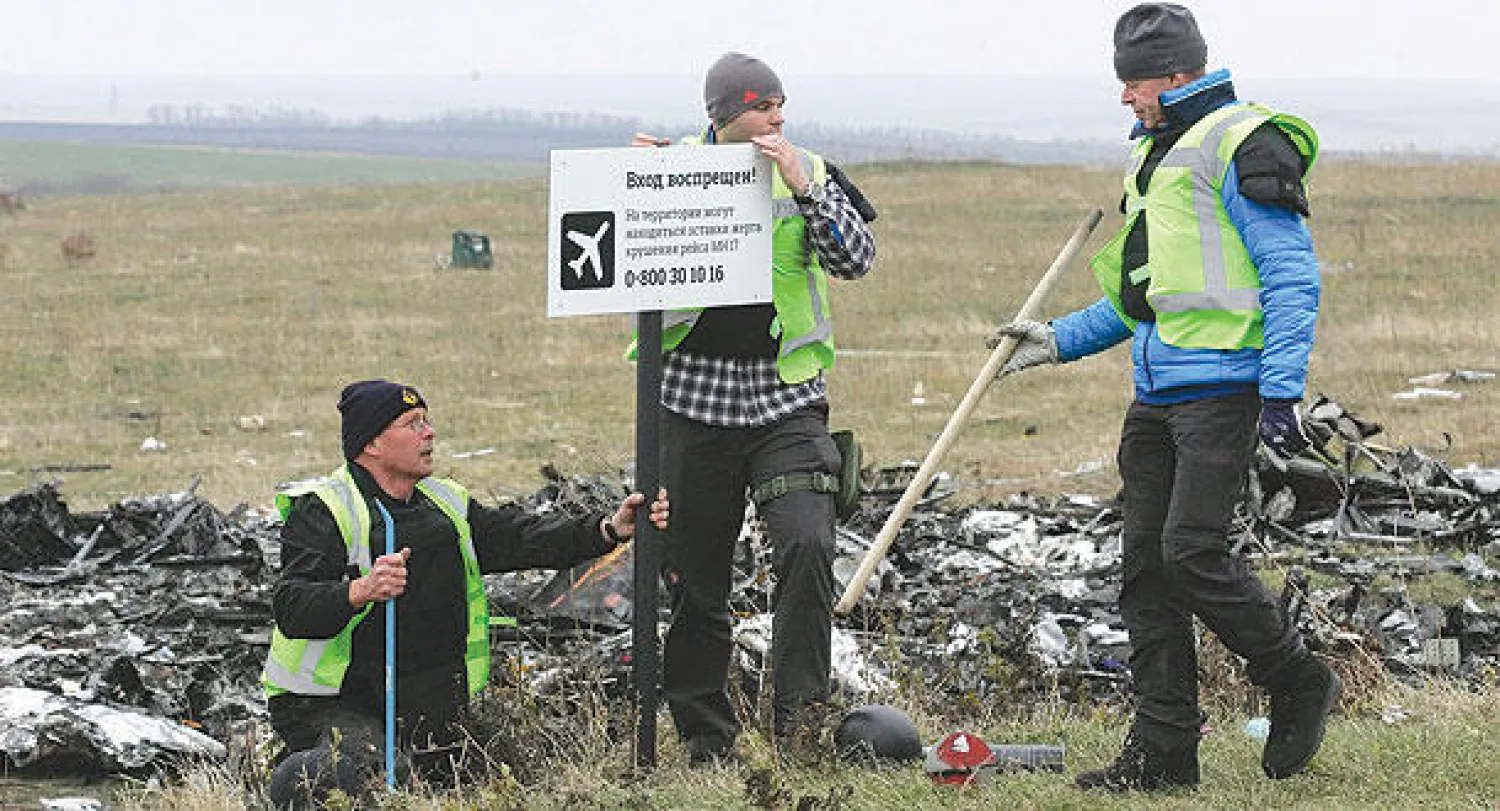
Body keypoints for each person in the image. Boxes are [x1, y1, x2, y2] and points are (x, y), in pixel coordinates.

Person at [993, 3, 1339, 792]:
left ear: (1177, 74)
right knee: (1147, 571)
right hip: (1155, 395)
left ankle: (1296, 676)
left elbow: (1291, 274)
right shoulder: (1156, 155)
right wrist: (1058, 339)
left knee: (1191, 552)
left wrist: (1281, 388)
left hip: (1224, 389)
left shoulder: (1243, 142)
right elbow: (1141, 297)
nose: (1124, 96)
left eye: (1134, 82)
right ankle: (1164, 753)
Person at [630, 52, 876, 765]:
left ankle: (799, 727)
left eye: (780, 104)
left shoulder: (811, 170)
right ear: (723, 116)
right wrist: (630, 179)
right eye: (763, 106)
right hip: (693, 400)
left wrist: (805, 187)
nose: (777, 117)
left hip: (786, 400)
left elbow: (856, 261)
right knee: (694, 574)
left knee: (807, 544)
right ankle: (706, 738)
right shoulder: (675, 167)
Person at [261, 379, 668, 807]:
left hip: (425, 698)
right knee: (366, 775)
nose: (429, 432)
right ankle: (297, 780)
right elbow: (293, 608)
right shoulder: (325, 510)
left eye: (426, 420)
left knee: (484, 776)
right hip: (333, 701)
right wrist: (361, 590)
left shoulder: (446, 503)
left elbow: (519, 537)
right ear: (372, 444)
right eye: (412, 424)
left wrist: (608, 529)